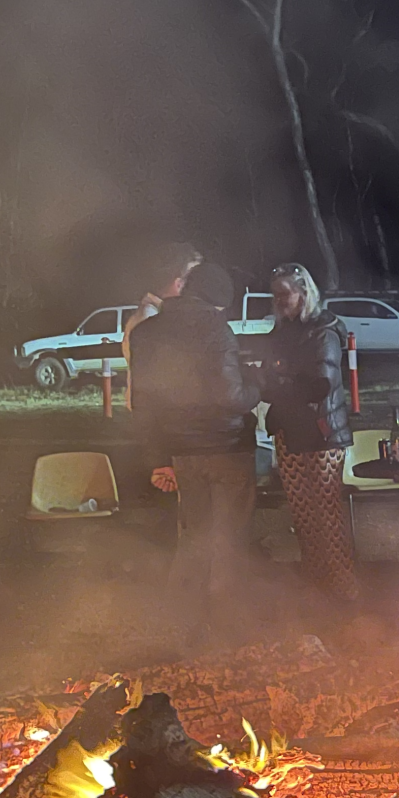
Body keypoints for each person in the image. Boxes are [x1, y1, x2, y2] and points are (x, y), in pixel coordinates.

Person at [130, 261, 260, 638]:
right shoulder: (216, 330)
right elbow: (231, 396)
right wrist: (258, 384)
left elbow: (144, 403)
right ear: (219, 302)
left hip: (180, 454)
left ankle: (182, 625)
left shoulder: (147, 333)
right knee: (229, 540)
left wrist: (157, 459)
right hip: (226, 450)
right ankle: (227, 627)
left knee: (193, 537)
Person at [256, 263, 355, 601]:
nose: (280, 301)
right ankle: (316, 584)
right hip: (288, 431)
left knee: (327, 514)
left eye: (285, 293)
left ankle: (344, 589)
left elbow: (320, 384)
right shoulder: (278, 333)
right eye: (275, 295)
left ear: (304, 292)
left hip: (322, 432)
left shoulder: (322, 331)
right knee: (302, 514)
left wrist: (279, 385)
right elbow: (267, 381)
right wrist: (270, 384)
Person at [122, 243, 202, 411]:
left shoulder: (158, 314)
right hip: (161, 415)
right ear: (178, 283)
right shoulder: (150, 319)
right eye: (192, 279)